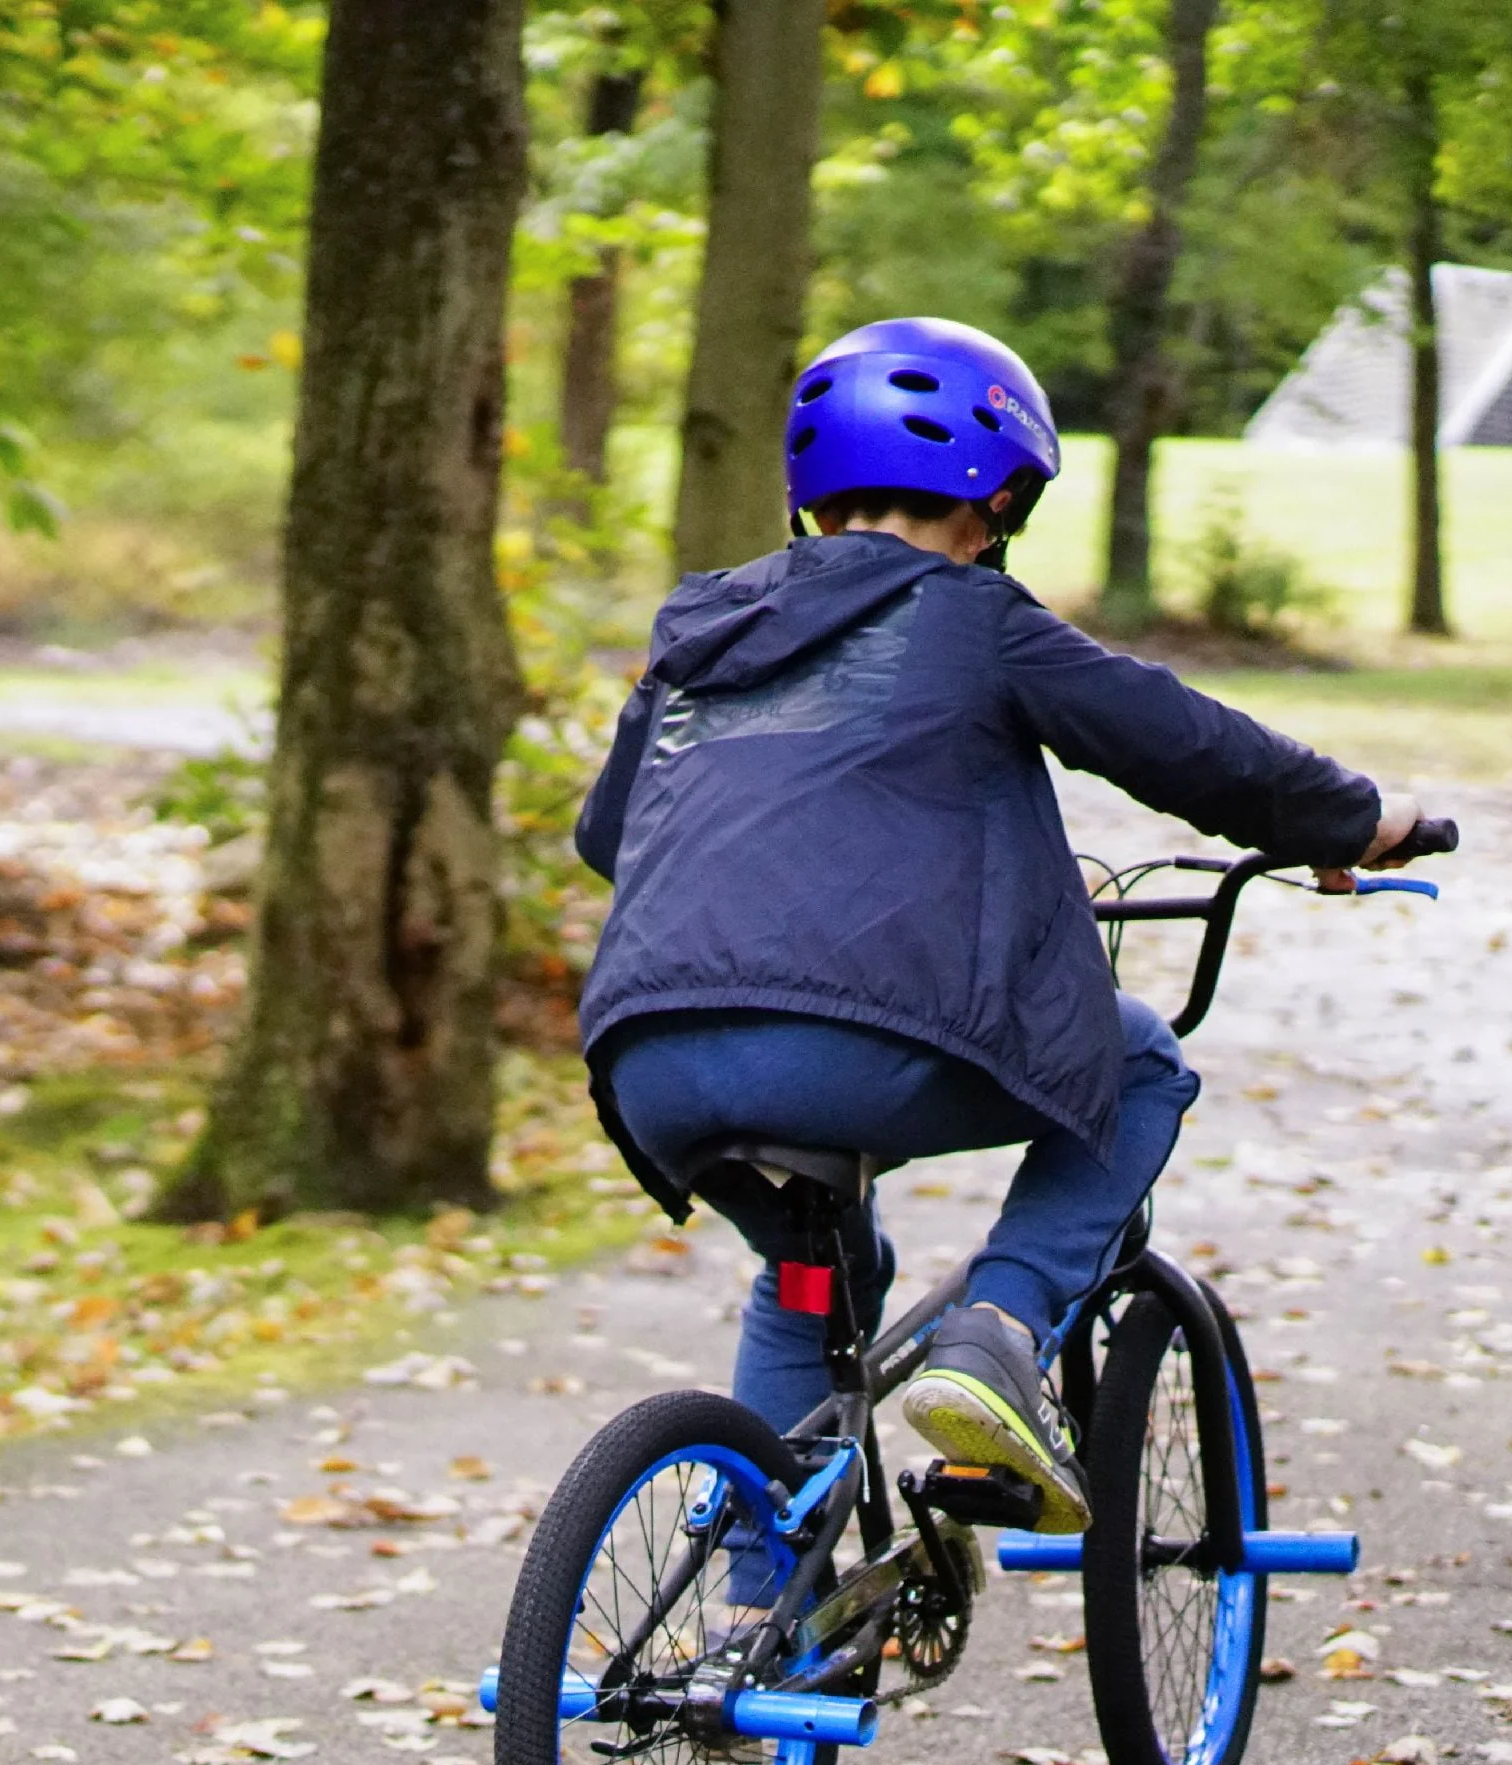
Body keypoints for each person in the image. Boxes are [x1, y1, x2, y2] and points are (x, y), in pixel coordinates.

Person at [570, 315, 1433, 1534]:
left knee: (819, 1275)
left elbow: (613, 836)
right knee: (1139, 1062)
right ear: (996, 498)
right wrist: (1360, 819)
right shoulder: (974, 615)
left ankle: (764, 1623)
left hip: (651, 1059)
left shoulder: (700, 631)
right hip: (845, 1048)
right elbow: (1195, 750)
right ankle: (1002, 1332)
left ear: (811, 499)